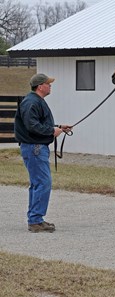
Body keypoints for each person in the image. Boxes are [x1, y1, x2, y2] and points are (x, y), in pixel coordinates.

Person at [14, 73, 72, 233]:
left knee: (38, 183)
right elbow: (32, 125)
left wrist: (59, 126)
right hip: (35, 147)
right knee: (43, 183)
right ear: (40, 86)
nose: (50, 86)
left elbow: (37, 123)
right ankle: (35, 221)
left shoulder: (34, 101)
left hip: (35, 147)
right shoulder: (32, 102)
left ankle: (36, 219)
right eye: (48, 83)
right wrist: (52, 131)